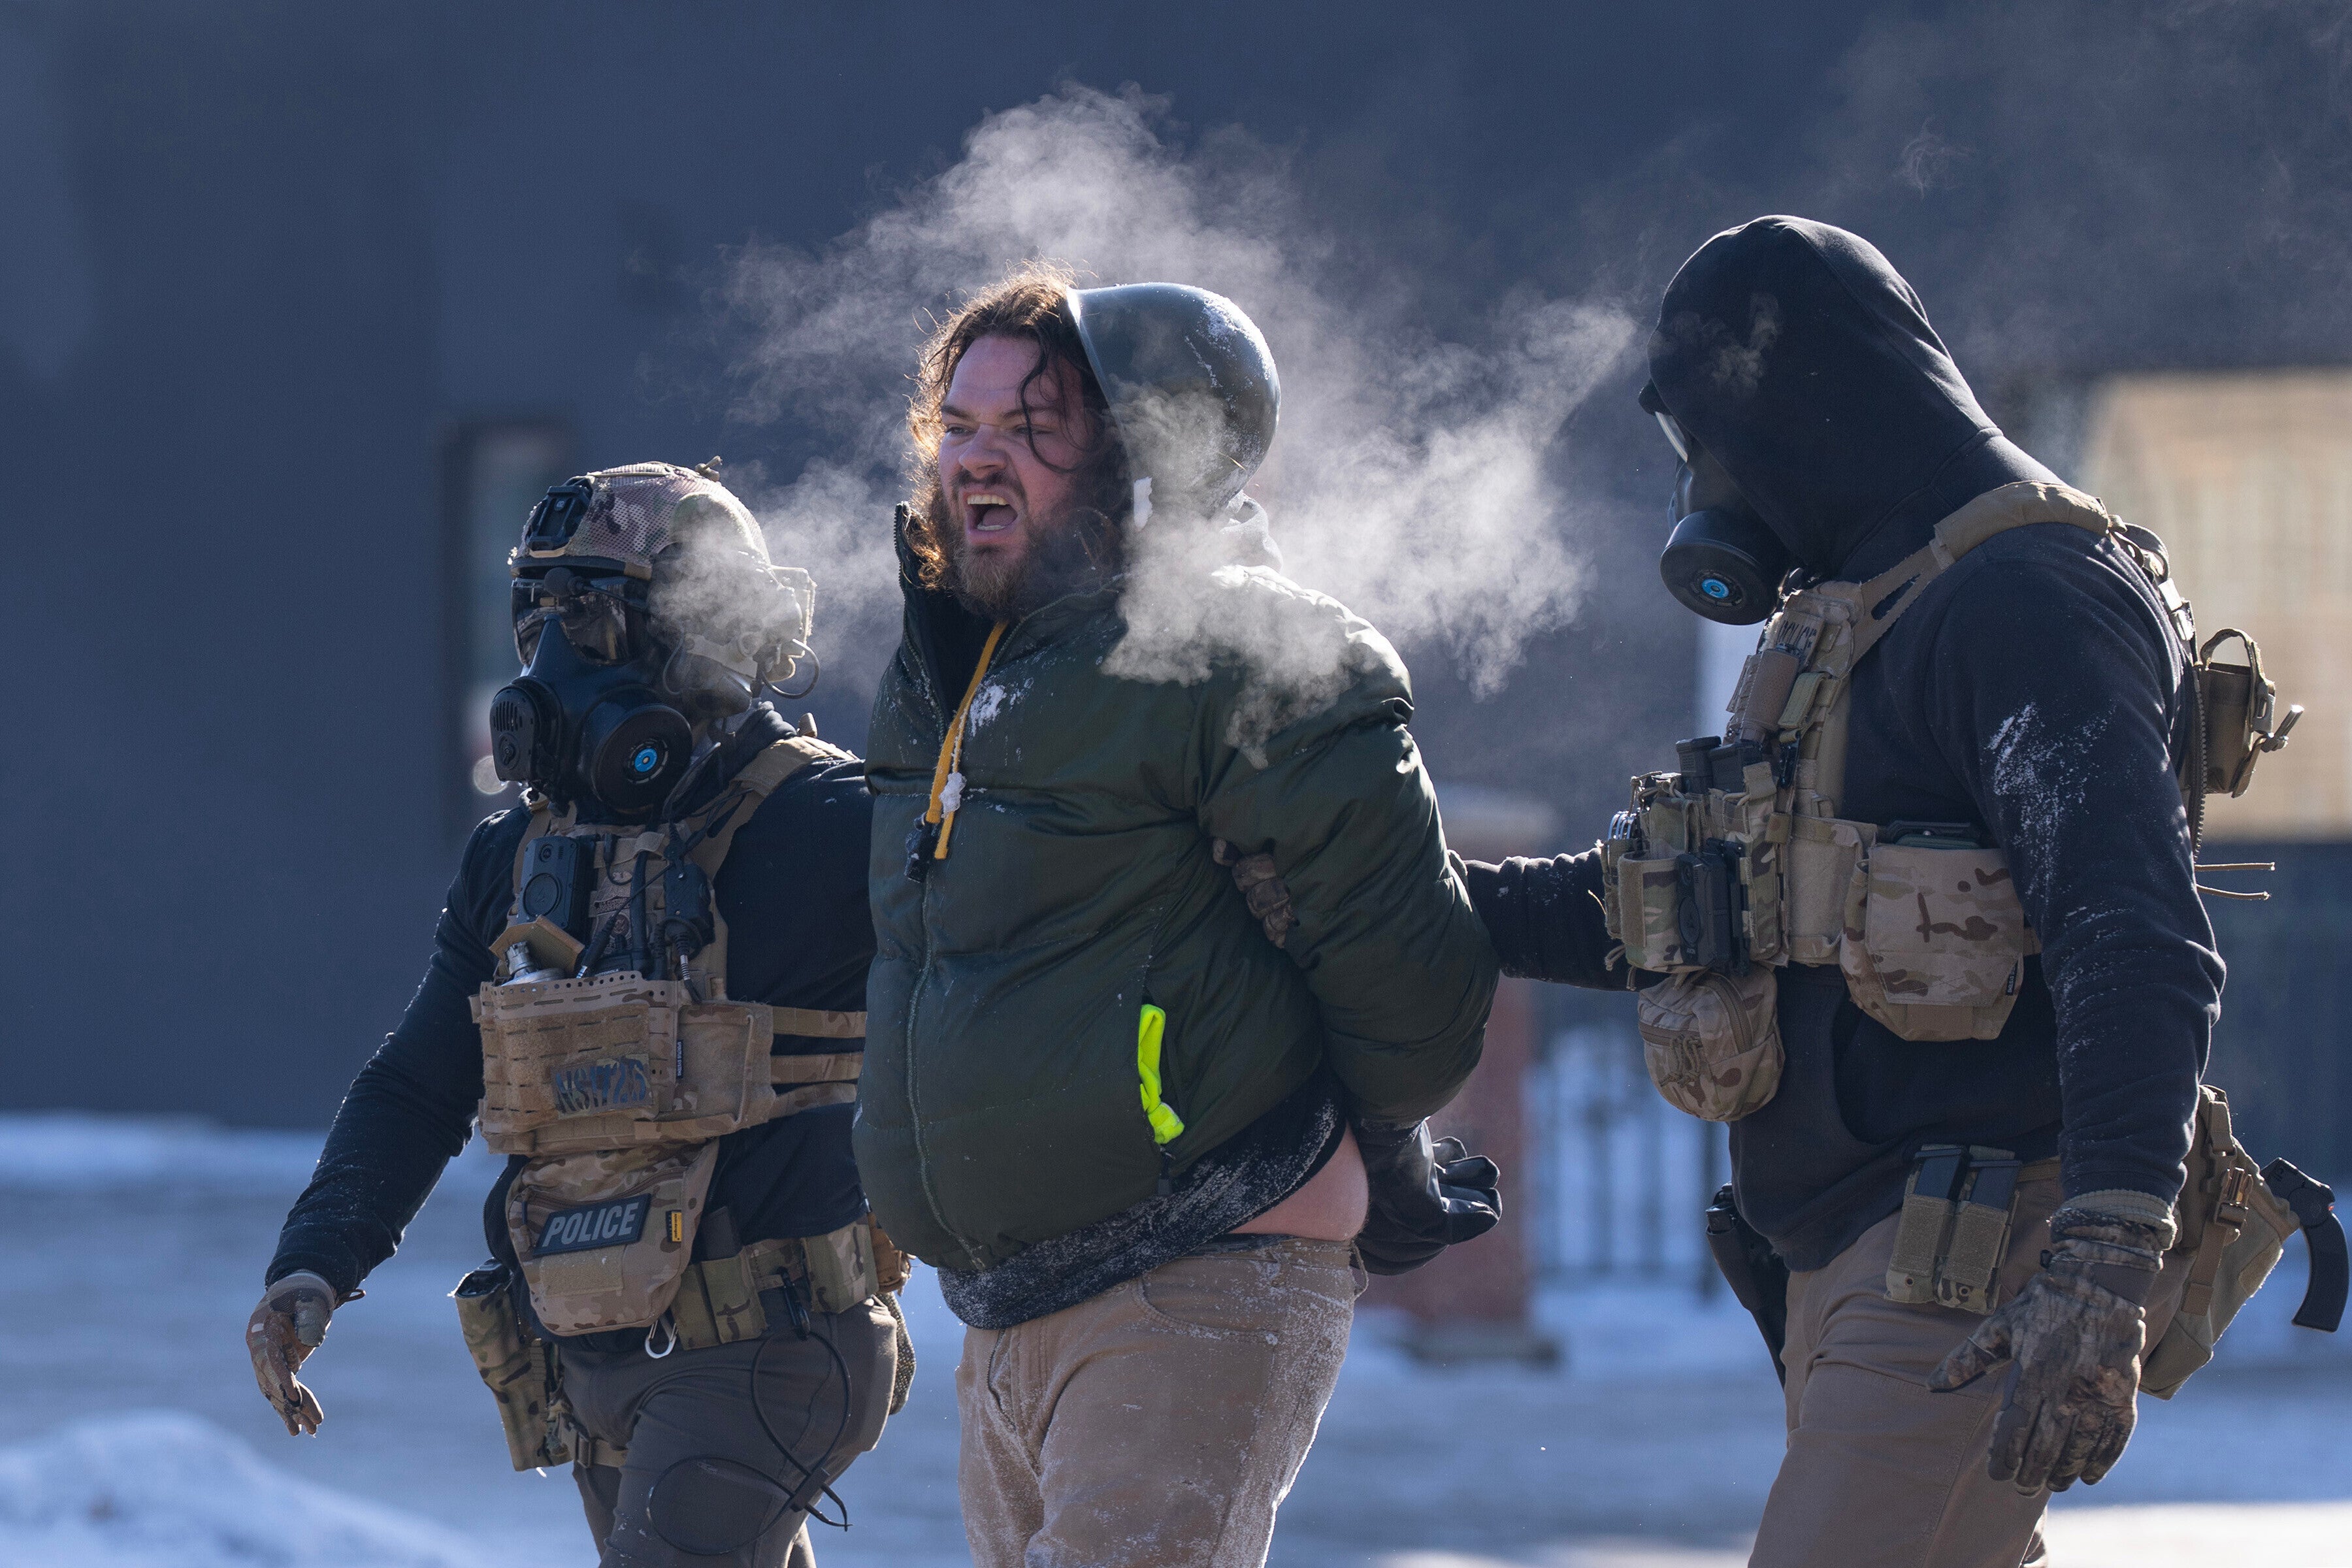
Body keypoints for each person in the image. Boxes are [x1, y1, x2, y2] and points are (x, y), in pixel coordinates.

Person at [1462, 218, 2242, 1568]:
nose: (1705, 481)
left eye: (1710, 434)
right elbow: (1691, 908)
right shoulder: (1868, 607)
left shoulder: (2025, 601)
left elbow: (2134, 935)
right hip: (1864, 1260)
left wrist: (2107, 1257)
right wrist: (1406, 891)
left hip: (1974, 1264)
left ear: (1798, 401)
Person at [856, 266, 1503, 1568]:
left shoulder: (1248, 655)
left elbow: (1414, 998)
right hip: (1008, 1308)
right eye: (959, 425)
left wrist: (1345, 1137)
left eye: (1033, 428)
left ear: (1149, 455)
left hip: (1204, 1265)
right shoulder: (953, 669)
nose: (976, 459)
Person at [249, 462, 906, 1568]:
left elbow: (1006, 962)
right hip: (597, 1358)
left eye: (591, 614)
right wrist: (313, 1261)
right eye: (535, 613)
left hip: (767, 1349)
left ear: (707, 630)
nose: (554, 654)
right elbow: (420, 1085)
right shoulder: (518, 856)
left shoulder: (829, 823)